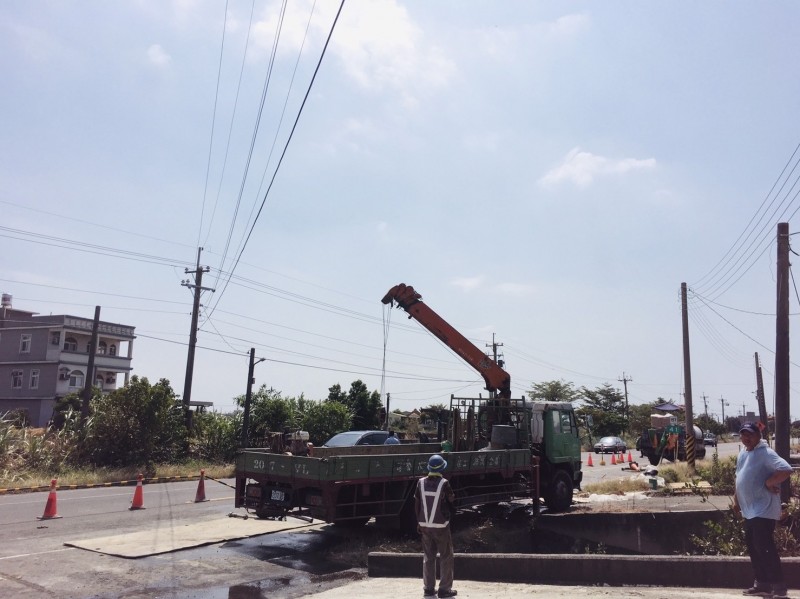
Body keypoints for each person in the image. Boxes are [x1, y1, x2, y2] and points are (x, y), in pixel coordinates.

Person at [733, 422, 792, 599]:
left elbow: (786, 469)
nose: (746, 438)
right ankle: (762, 584)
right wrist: (737, 500)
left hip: (763, 509)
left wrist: (769, 483)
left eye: (750, 434)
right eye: (743, 434)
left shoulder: (765, 453)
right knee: (753, 546)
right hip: (749, 509)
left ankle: (779, 587)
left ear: (758, 436)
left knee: (764, 547)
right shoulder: (743, 453)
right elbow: (738, 478)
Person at [415, 454, 457, 598]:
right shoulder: (444, 483)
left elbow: (417, 503)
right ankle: (444, 589)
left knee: (428, 557)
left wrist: (419, 522)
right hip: (441, 526)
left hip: (425, 526)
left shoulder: (420, 482)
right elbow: (452, 499)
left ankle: (428, 588)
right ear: (442, 468)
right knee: (446, 556)